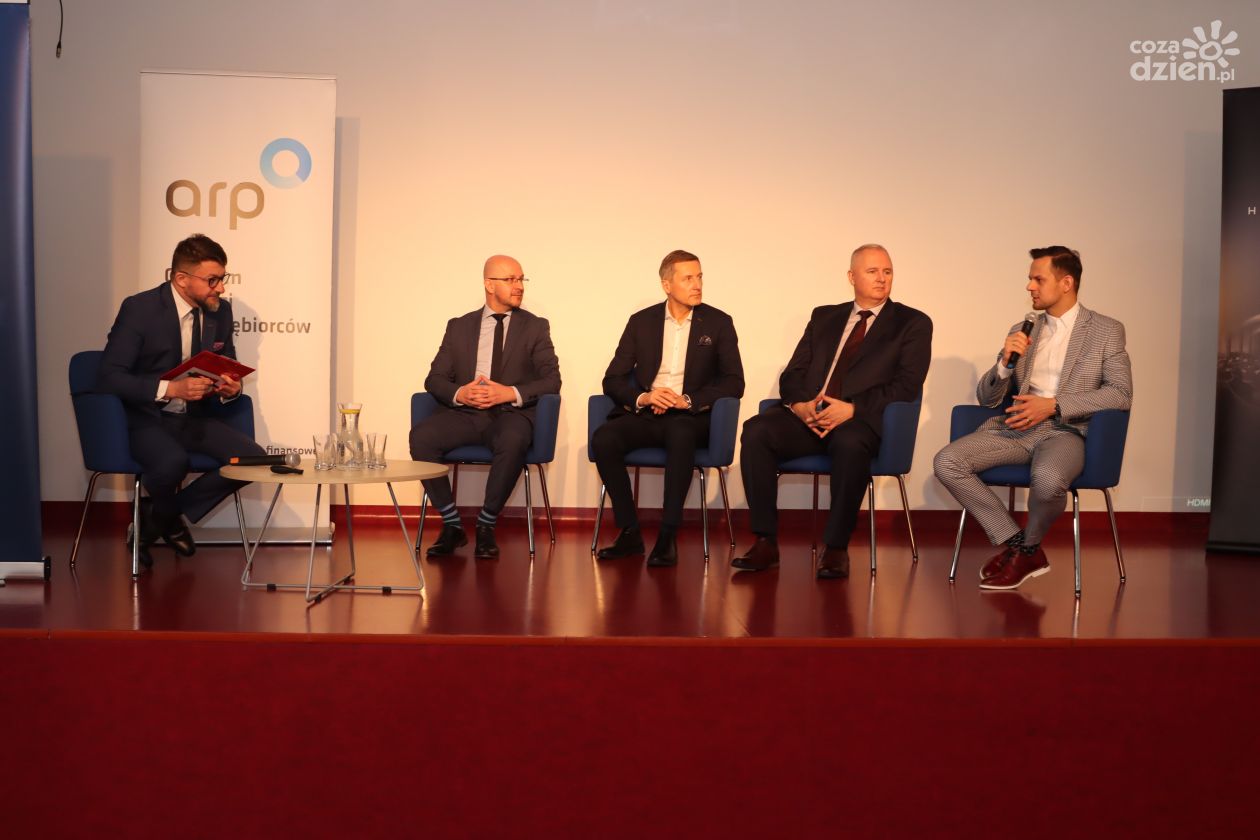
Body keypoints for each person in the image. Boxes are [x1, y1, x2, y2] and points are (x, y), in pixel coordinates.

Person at [933, 246, 1132, 590]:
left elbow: (1120, 394)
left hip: (1065, 431)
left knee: (1049, 479)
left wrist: (1053, 405)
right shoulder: (1023, 329)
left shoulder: (1106, 330)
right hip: (1015, 428)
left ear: (1066, 283)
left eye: (1038, 279)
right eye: (1029, 279)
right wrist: (1004, 364)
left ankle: (1025, 549)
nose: (1029, 286)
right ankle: (1022, 548)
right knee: (947, 462)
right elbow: (988, 399)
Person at [734, 244, 932, 579]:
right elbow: (793, 373)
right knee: (756, 431)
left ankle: (837, 547)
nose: (882, 278)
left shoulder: (911, 323)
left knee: (849, 443)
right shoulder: (824, 317)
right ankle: (765, 541)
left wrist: (853, 409)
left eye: (887, 271)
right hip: (811, 415)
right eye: (872, 271)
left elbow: (907, 386)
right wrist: (800, 406)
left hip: (860, 421)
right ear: (852, 277)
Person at [97, 233, 264, 567]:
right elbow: (109, 376)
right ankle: (167, 519)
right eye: (212, 280)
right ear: (182, 279)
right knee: (173, 463)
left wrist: (231, 388)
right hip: (146, 417)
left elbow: (226, 363)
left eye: (223, 278)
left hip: (193, 417)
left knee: (254, 461)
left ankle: (158, 517)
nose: (221, 288)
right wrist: (170, 389)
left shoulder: (220, 312)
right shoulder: (140, 309)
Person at [592, 250, 745, 567]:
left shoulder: (718, 323)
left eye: (699, 277)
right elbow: (613, 379)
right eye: (688, 278)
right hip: (648, 412)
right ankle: (630, 532)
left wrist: (686, 400)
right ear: (667, 284)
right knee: (604, 439)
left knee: (680, 433)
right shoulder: (641, 322)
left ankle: (667, 535)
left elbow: (734, 382)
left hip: (690, 416)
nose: (697, 284)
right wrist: (645, 397)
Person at [410, 254, 561, 559]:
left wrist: (509, 393)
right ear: (489, 285)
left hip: (510, 414)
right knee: (421, 437)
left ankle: (486, 524)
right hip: (465, 414)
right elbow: (434, 379)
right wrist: (460, 393)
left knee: (513, 438)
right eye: (510, 279)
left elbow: (552, 381)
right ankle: (452, 525)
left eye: (521, 279)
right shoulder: (459, 326)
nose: (519, 286)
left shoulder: (535, 327)